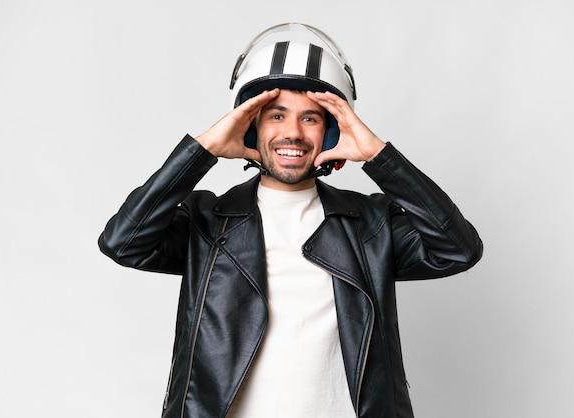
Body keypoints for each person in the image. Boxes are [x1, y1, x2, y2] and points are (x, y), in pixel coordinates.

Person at [98, 23, 483, 418]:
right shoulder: (206, 222)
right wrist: (204, 150)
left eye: (311, 119)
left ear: (329, 132)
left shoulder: (371, 225)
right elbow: (122, 242)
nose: (292, 134)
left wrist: (376, 155)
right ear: (252, 126)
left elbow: (458, 249)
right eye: (276, 116)